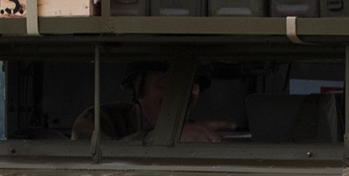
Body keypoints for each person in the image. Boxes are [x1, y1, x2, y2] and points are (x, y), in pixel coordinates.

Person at [73, 62, 231, 143]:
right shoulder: (97, 120)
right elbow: (92, 161)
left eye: (194, 83)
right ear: (139, 87)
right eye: (167, 80)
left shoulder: (196, 136)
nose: (184, 93)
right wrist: (163, 138)